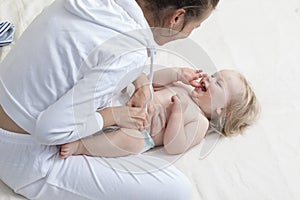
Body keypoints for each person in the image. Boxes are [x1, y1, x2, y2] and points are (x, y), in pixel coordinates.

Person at [0, 0, 220, 199]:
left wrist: (142, 82)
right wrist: (113, 116)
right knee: (177, 189)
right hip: (21, 153)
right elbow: (48, 130)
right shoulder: (127, 53)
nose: (191, 33)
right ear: (177, 18)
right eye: (195, 26)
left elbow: (93, 56)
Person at [59, 67, 260, 158]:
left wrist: (177, 114)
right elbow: (151, 80)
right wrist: (176, 74)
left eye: (218, 83)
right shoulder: (185, 88)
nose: (209, 78)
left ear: (221, 111)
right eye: (214, 74)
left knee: (130, 142)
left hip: (143, 132)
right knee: (115, 88)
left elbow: (174, 146)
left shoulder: (200, 122)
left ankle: (82, 147)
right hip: (129, 106)